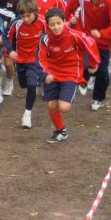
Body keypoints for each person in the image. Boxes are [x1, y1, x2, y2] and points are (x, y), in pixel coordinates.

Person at [37, 8, 100, 143]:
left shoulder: (74, 35)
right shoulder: (45, 39)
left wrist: (94, 64)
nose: (56, 27)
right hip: (52, 73)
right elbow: (40, 58)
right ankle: (61, 131)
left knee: (64, 107)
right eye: (52, 24)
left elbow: (91, 44)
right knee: (51, 105)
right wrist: (45, 73)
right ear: (47, 25)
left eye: (59, 23)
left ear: (65, 22)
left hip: (71, 73)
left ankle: (76, 86)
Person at [65, 0, 111, 111]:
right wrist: (67, 19)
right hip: (84, 38)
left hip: (102, 41)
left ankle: (98, 98)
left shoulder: (109, 1)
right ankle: (83, 80)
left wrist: (101, 33)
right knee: (81, 63)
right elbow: (68, 8)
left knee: (102, 71)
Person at [4, 0, 47, 128]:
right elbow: (6, 37)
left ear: (35, 12)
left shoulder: (43, 22)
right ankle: (27, 84)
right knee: (23, 84)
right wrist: (10, 50)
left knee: (31, 84)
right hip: (20, 59)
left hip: (35, 59)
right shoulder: (16, 23)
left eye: (28, 16)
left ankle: (27, 114)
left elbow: (51, 38)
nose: (26, 19)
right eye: (23, 16)